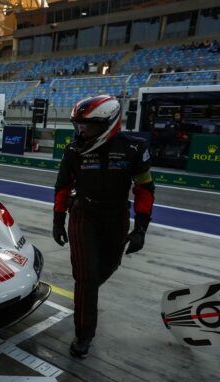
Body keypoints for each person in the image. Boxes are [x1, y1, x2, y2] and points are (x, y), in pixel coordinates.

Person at [52, 95, 155, 358]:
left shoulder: (134, 147)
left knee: (106, 268)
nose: (82, 130)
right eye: (79, 124)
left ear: (109, 122)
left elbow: (144, 189)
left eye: (89, 125)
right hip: (83, 215)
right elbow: (62, 187)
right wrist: (58, 220)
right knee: (85, 278)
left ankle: (86, 300)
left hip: (117, 216)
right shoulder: (73, 150)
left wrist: (141, 228)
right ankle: (84, 334)